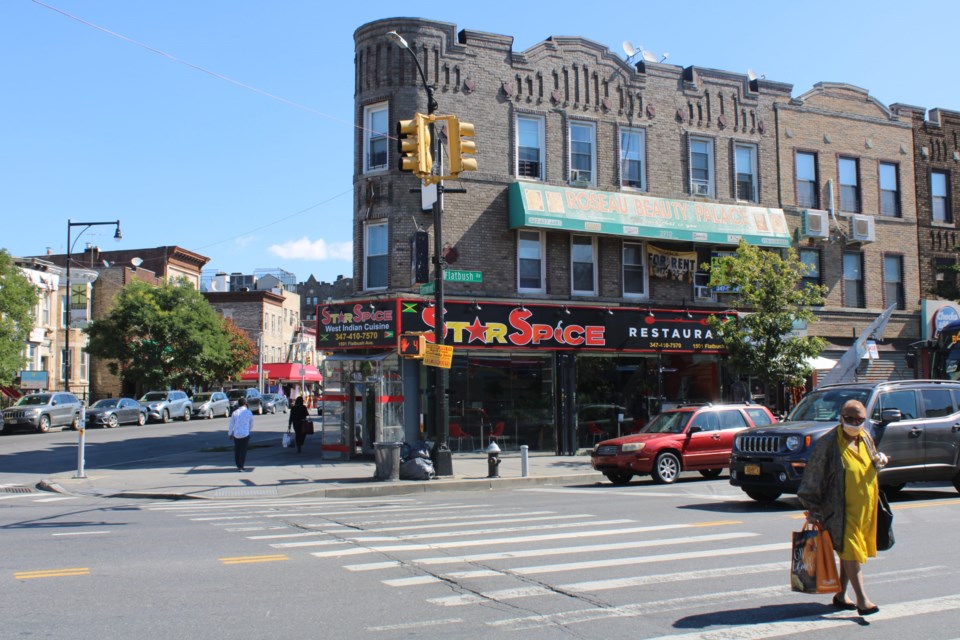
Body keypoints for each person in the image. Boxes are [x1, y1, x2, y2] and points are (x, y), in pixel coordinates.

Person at [797, 399, 889, 616]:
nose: (854, 423)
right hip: (839, 510)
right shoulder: (829, 443)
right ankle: (862, 600)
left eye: (859, 419)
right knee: (850, 551)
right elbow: (813, 476)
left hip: (865, 509)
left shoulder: (865, 437)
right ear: (841, 417)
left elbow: (871, 461)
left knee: (852, 554)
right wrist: (812, 508)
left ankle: (840, 595)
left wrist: (880, 461)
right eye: (849, 418)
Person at [228, 396, 254, 471]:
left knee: (237, 450)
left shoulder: (235, 412)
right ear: (245, 404)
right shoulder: (249, 412)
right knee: (243, 450)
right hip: (245, 434)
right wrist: (248, 429)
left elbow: (231, 424)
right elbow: (252, 423)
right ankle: (241, 466)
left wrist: (230, 434)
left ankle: (238, 464)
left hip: (236, 434)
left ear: (238, 404)